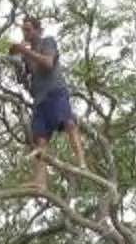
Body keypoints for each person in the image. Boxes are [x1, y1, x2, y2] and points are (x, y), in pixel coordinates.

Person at [8, 15, 87, 193]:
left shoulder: (47, 42)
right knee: (40, 140)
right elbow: (29, 82)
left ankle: (81, 160)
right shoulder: (27, 56)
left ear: (37, 30)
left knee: (68, 123)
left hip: (55, 91)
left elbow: (48, 63)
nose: (25, 33)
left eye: (28, 29)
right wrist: (18, 66)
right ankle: (40, 181)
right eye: (23, 30)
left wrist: (25, 51)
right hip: (40, 99)